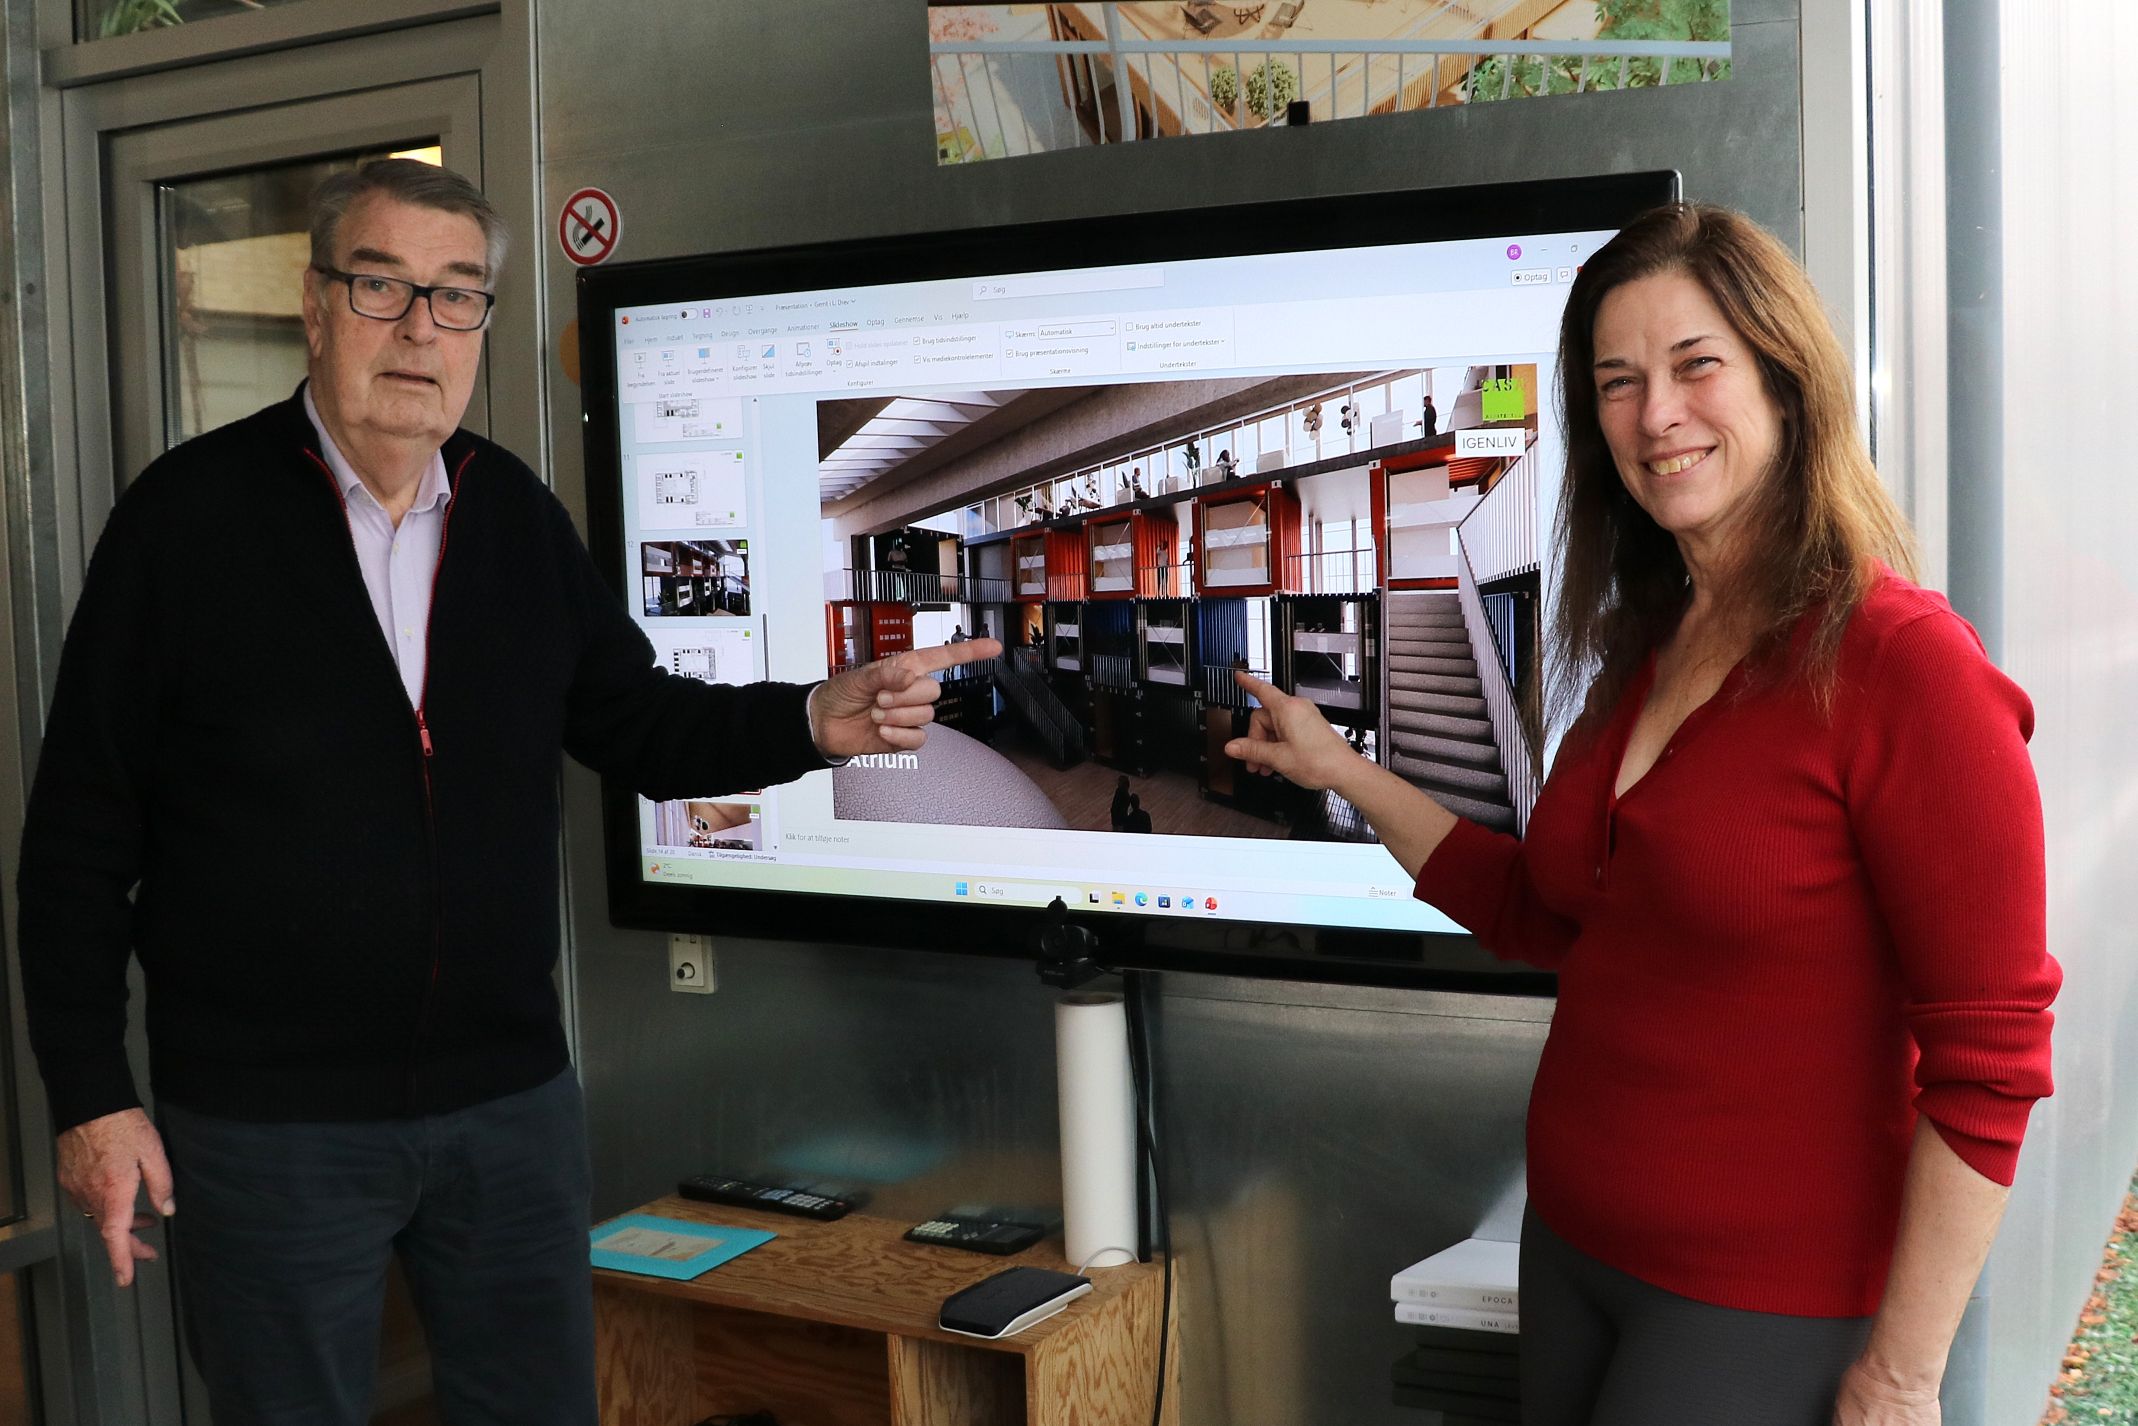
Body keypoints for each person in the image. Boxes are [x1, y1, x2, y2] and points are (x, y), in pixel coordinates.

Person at [14, 158, 999, 1426]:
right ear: (315, 304)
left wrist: (812, 718)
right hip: (270, 1126)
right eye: (380, 286)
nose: (418, 328)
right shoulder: (185, 522)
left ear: (482, 320)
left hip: (506, 1108)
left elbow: (636, 721)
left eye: (456, 294)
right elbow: (77, 839)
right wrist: (92, 1093)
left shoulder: (512, 517)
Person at [1225, 204, 2058, 1426]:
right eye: (1615, 382)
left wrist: (1900, 1374)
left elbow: (1989, 1062)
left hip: (1757, 1302)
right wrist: (1340, 772)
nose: (1654, 414)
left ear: (1784, 381)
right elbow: (1544, 914)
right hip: (1571, 1249)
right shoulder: (1645, 645)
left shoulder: (1903, 666)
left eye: (1693, 365)